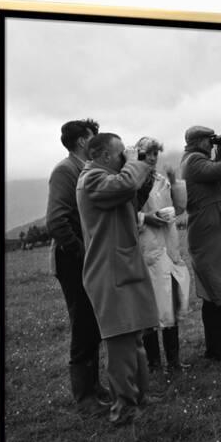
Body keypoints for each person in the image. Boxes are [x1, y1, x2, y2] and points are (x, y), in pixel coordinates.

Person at [76, 132, 160, 424]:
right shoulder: (92, 180)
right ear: (103, 156)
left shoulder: (108, 180)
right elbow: (125, 184)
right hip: (109, 272)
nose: (124, 156)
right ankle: (123, 408)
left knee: (134, 336)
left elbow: (132, 196)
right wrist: (136, 160)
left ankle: (139, 396)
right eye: (119, 152)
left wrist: (147, 165)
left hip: (121, 267)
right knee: (121, 343)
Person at [45, 118, 109, 414]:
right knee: (82, 322)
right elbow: (56, 220)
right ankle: (83, 396)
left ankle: (94, 386)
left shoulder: (84, 170)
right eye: (93, 136)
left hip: (87, 256)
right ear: (83, 141)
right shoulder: (65, 171)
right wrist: (83, 253)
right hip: (73, 259)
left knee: (93, 322)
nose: (97, 140)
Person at [180, 126, 221, 361]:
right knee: (214, 292)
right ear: (199, 142)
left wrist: (219, 150)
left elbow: (217, 173)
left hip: (214, 232)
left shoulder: (197, 160)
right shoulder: (193, 161)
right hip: (208, 235)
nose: (212, 143)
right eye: (210, 140)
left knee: (220, 290)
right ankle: (215, 350)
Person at [134, 136, 191, 372]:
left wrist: (174, 181)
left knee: (172, 304)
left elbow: (178, 209)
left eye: (155, 154)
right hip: (148, 249)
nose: (152, 158)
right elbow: (126, 213)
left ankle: (174, 360)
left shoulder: (160, 180)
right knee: (150, 309)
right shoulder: (131, 183)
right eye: (147, 154)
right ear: (138, 155)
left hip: (168, 246)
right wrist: (146, 218)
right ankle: (154, 363)